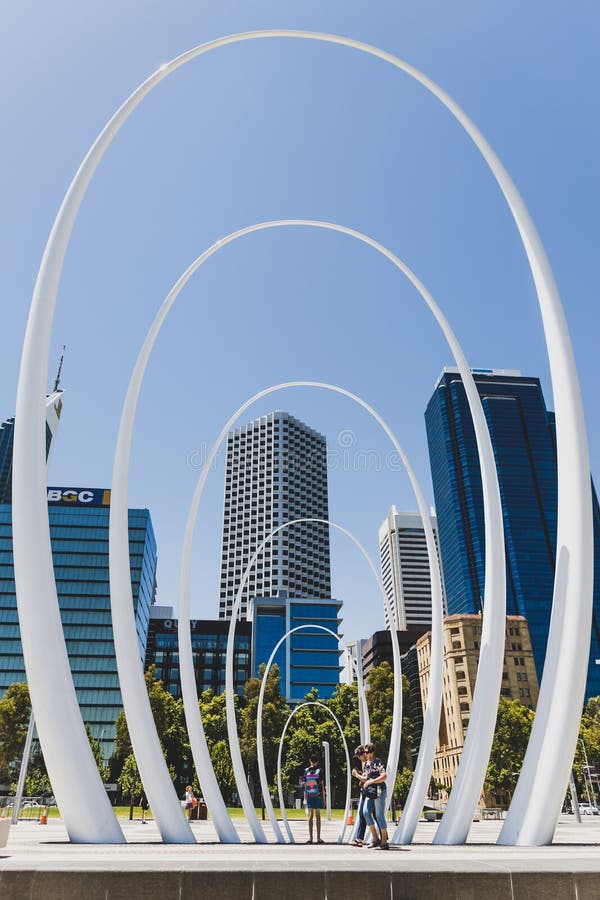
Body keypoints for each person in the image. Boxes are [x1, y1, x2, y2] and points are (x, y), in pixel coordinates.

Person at [362, 742, 389, 850]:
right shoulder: (366, 764)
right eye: (365, 752)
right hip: (370, 792)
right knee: (366, 812)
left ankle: (384, 841)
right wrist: (359, 776)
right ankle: (375, 838)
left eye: (367, 752)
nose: (366, 754)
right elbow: (365, 777)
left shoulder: (377, 762)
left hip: (379, 791)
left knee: (379, 816)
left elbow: (384, 776)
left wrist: (371, 781)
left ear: (372, 752)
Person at [303, 754, 326, 844]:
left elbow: (305, 786)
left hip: (309, 796)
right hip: (318, 795)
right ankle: (318, 838)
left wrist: (305, 798)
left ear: (310, 761)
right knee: (318, 816)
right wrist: (324, 798)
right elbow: (322, 785)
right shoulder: (320, 771)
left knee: (310, 816)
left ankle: (310, 838)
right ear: (317, 762)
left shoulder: (306, 771)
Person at [350, 745, 368, 846]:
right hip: (365, 792)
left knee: (364, 814)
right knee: (364, 815)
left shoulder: (369, 764)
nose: (358, 758)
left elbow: (366, 779)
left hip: (369, 793)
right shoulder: (366, 764)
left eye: (358, 756)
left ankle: (360, 838)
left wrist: (357, 774)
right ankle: (360, 838)